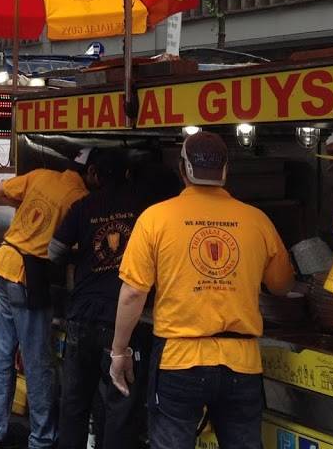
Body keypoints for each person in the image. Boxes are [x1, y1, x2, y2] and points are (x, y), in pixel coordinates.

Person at [109, 131, 295, 449]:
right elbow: (282, 286)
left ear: (183, 170)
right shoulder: (256, 220)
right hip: (242, 362)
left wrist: (119, 352)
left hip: (179, 360)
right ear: (225, 170)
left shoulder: (155, 218)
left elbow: (133, 294)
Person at [0, 150, 92, 449]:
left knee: (2, 355)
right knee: (37, 361)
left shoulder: (41, 176)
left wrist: (23, 207)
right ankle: (42, 438)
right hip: (27, 276)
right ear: (89, 174)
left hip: (2, 265)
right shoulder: (80, 197)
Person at [47, 150, 146, 449]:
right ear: (127, 175)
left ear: (96, 175)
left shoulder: (82, 206)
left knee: (74, 402)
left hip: (82, 317)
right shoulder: (143, 208)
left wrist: (83, 255)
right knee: (120, 405)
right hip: (123, 321)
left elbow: (53, 252)